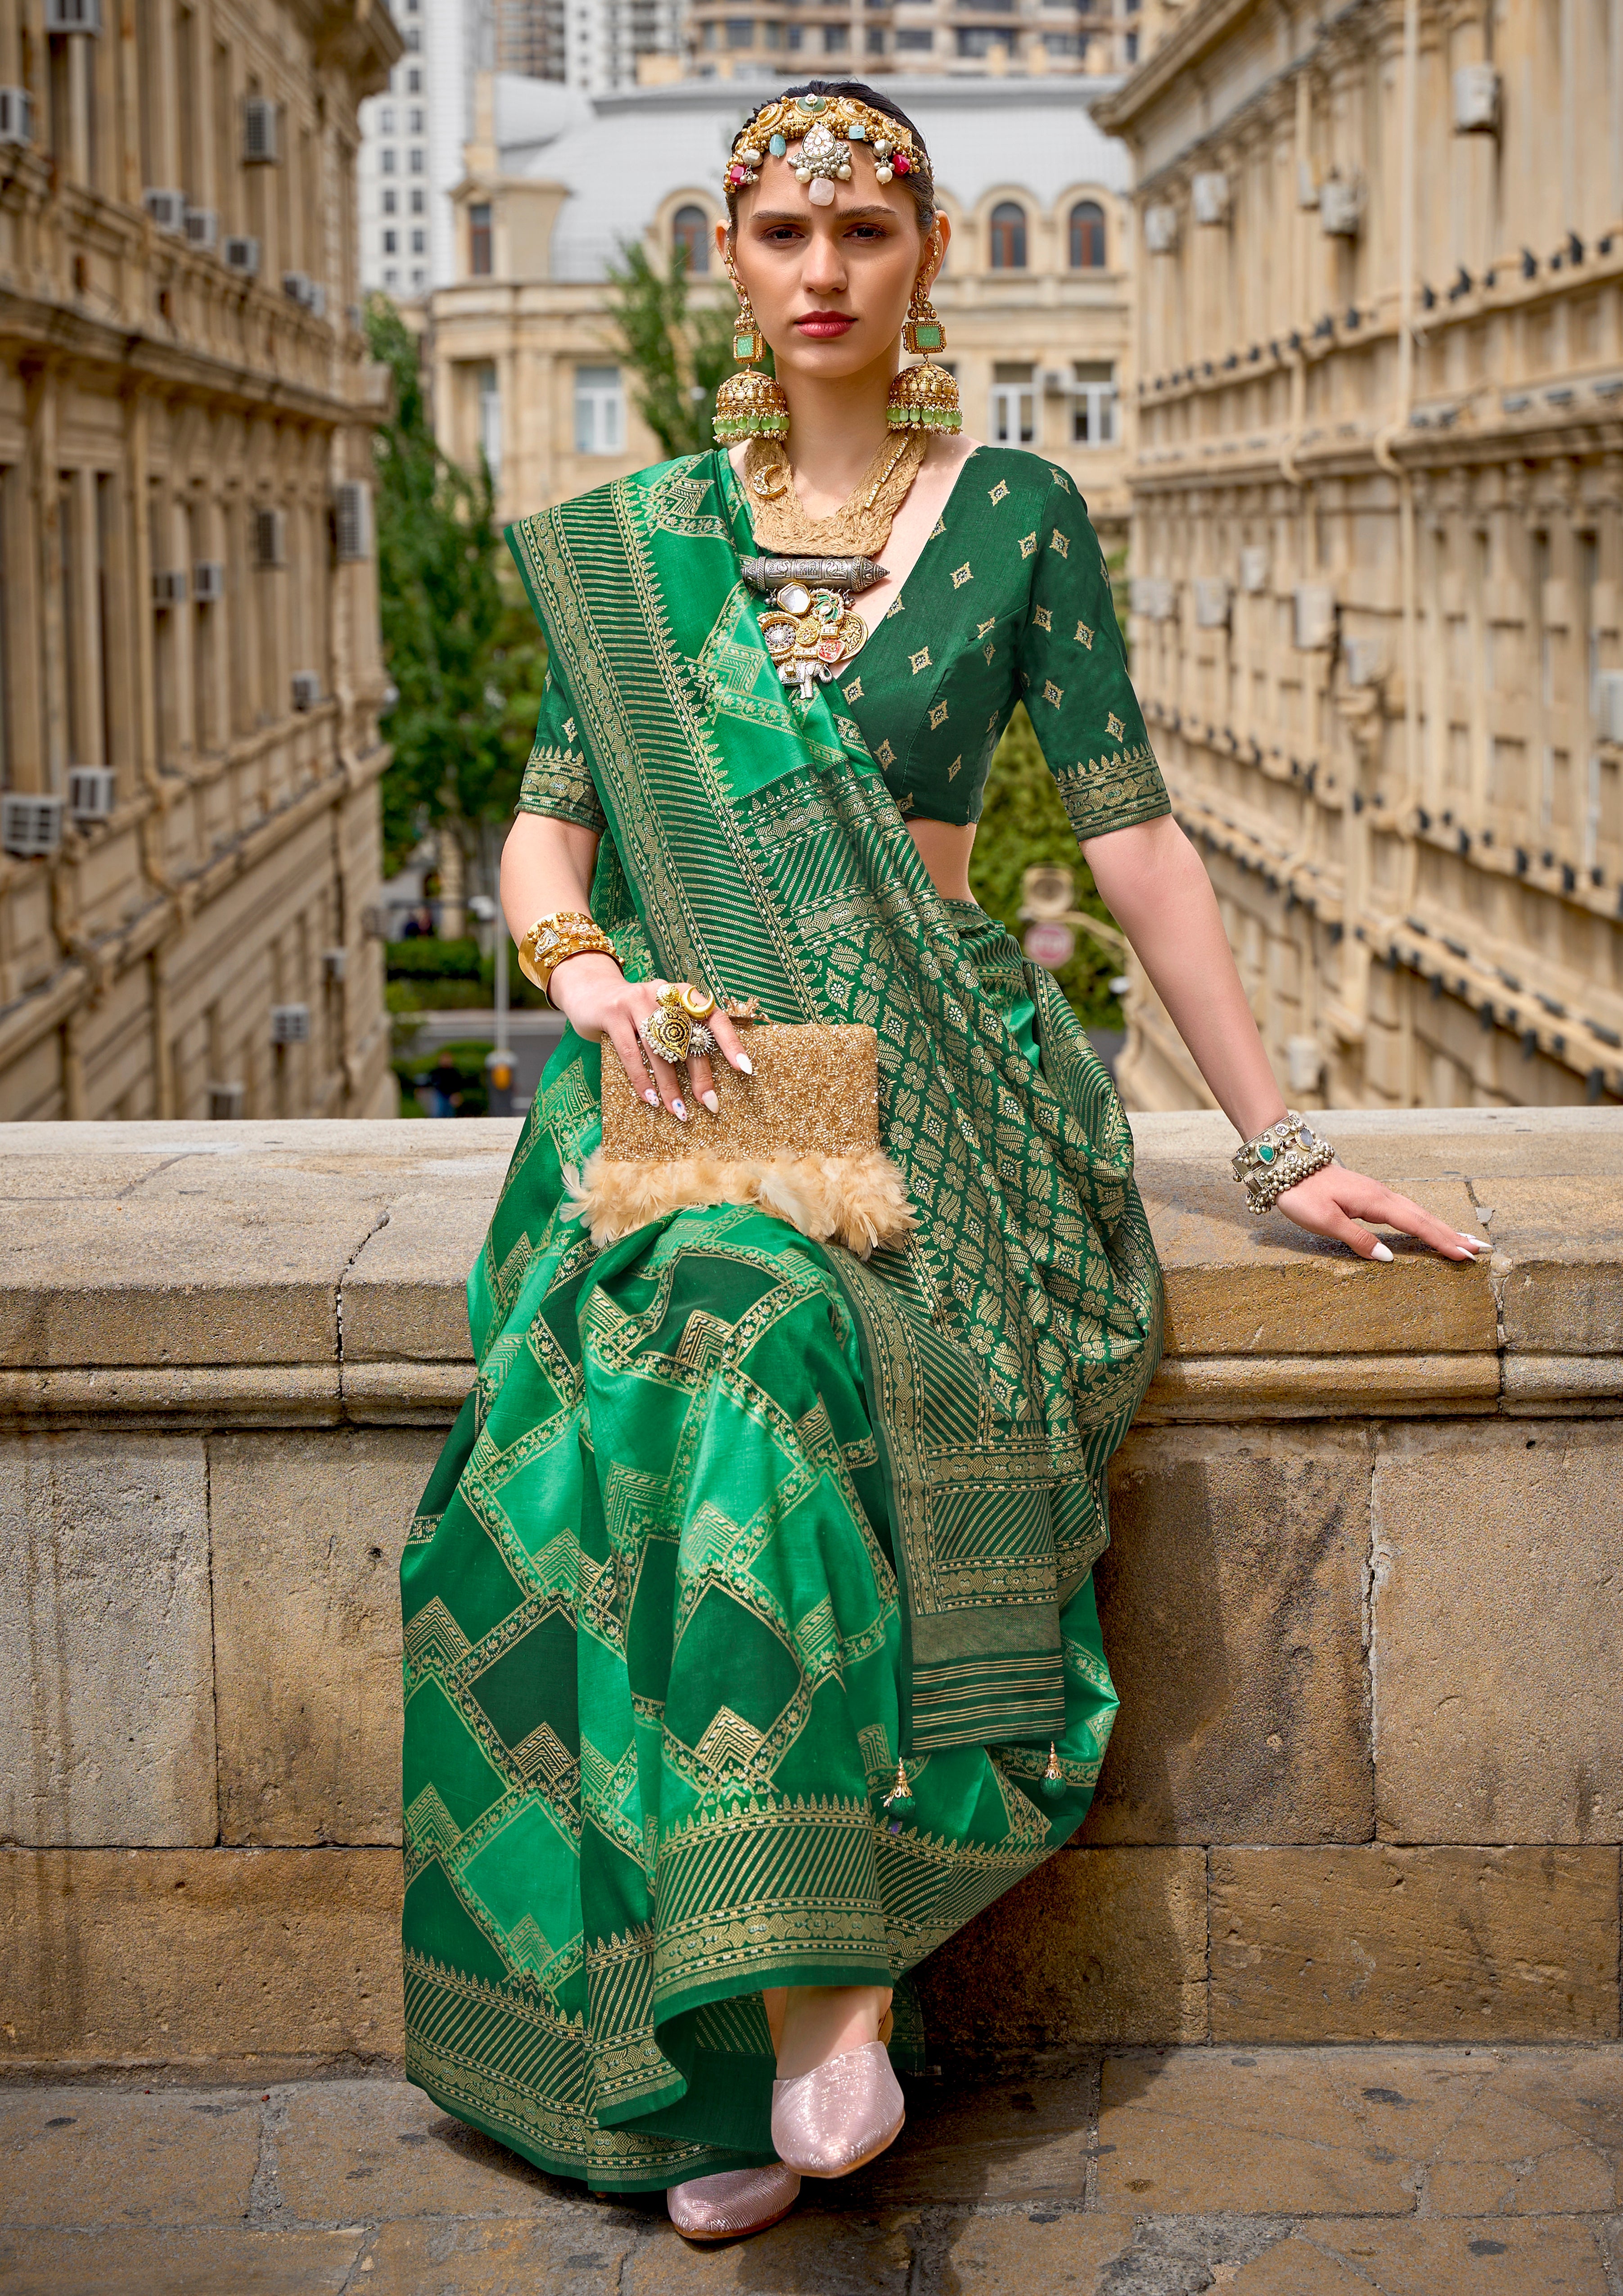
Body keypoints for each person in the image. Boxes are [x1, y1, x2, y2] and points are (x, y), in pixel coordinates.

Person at [399, 81, 1483, 2242]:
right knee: (645, 1398)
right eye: (781, 236)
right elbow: (543, 825)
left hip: (944, 1098)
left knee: (757, 1356)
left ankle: (817, 2000)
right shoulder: (644, 544)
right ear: (730, 260)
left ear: (923, 263)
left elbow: (1134, 838)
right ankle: (713, 2064)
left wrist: (1274, 1145)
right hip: (701, 1091)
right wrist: (588, 970)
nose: (821, 275)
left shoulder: (1012, 514)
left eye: (861, 236)